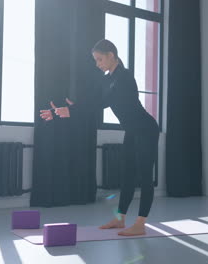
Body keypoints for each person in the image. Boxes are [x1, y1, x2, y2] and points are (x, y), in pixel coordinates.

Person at [39, 39, 159, 236]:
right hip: (132, 130)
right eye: (96, 60)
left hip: (146, 129)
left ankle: (140, 224)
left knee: (145, 176)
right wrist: (68, 109)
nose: (98, 64)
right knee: (127, 174)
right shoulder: (108, 78)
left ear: (111, 55)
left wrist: (73, 110)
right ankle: (120, 219)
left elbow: (105, 102)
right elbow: (97, 101)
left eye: (100, 59)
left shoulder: (125, 78)